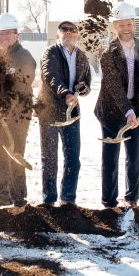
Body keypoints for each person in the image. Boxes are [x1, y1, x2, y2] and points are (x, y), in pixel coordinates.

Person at [94, 1, 139, 209]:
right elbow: (114, 86)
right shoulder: (108, 52)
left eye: (129, 23)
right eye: (121, 24)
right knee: (111, 159)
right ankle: (109, 203)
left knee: (134, 157)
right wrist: (128, 111)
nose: (126, 28)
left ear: (135, 24)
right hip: (110, 111)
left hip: (135, 110)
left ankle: (132, 198)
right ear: (115, 26)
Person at [36, 19, 91, 206]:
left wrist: (83, 88)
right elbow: (51, 76)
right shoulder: (50, 53)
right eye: (64, 30)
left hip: (71, 113)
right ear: (57, 34)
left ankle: (68, 199)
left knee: (73, 158)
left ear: (77, 35)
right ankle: (49, 200)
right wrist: (65, 93)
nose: (68, 32)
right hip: (49, 111)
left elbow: (86, 81)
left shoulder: (81, 56)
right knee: (50, 158)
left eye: (72, 30)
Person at [0, 13, 36, 208]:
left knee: (16, 152)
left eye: (8, 33)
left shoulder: (25, 57)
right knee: (0, 152)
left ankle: (19, 195)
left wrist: (7, 109)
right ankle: (3, 193)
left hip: (18, 115)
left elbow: (22, 86)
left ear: (16, 35)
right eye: (1, 33)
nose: (4, 37)